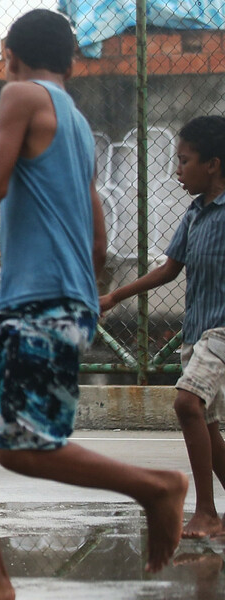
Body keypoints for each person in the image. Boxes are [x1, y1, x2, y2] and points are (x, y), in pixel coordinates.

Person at [0, 9, 187, 598]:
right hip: (38, 302)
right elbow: (96, 230)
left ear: (12, 52)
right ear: (70, 58)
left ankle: (156, 486)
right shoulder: (79, 124)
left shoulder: (20, 95)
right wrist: (86, 294)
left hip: (41, 302)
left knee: (22, 448)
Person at [101, 115, 225, 539]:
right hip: (198, 330)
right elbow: (169, 269)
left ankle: (207, 511)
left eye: (184, 160)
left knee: (187, 403)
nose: (177, 170)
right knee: (205, 421)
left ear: (213, 164)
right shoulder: (194, 215)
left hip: (222, 332)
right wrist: (116, 296)